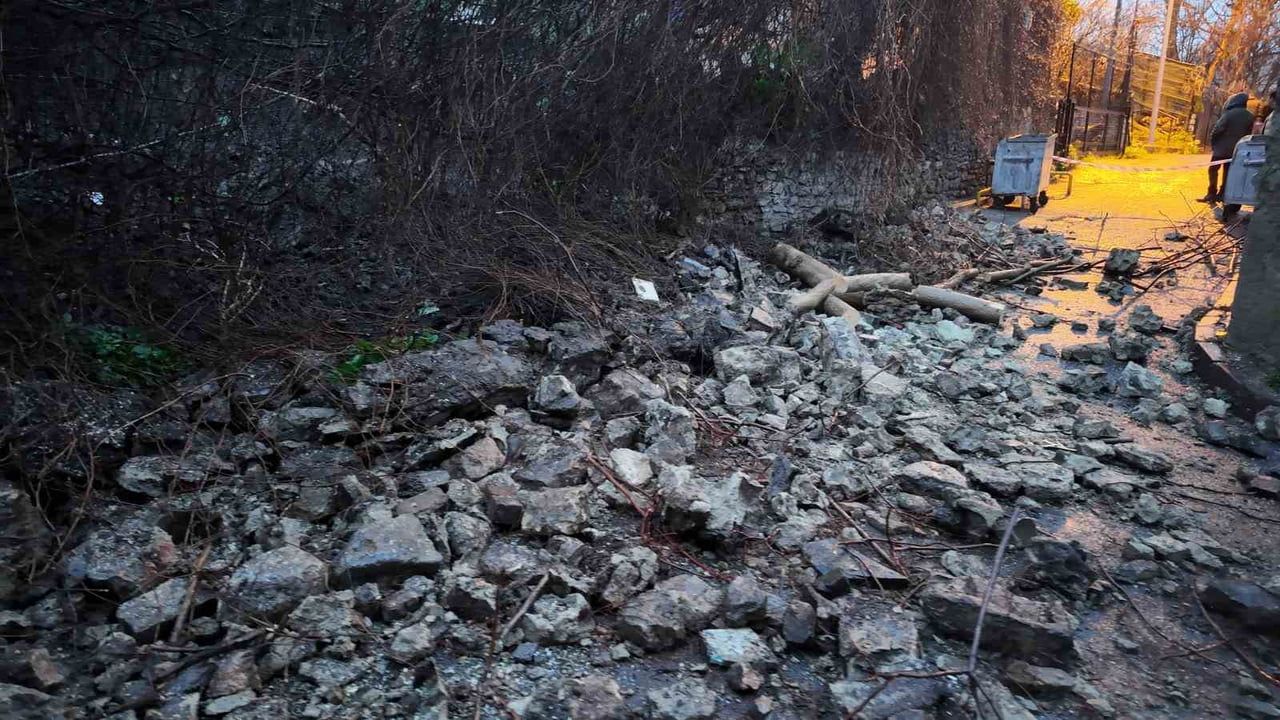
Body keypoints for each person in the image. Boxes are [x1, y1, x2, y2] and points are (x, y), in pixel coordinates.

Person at [1198, 92, 1255, 203]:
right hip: (1236, 151)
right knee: (1228, 172)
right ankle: (1223, 193)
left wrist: (1214, 143)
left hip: (1221, 149)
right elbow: (1249, 134)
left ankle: (1211, 193)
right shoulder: (1250, 116)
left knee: (1213, 170)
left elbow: (1218, 129)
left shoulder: (1229, 114)